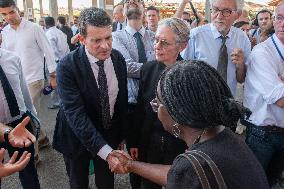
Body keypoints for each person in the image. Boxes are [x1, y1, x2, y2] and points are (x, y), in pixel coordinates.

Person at [111, 61, 270, 189]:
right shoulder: (224, 136)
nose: (154, 107)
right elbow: (177, 174)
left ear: (176, 113)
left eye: (156, 103)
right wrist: (130, 165)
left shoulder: (193, 165)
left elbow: (186, 172)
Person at [52, 7, 128, 189]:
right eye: (97, 40)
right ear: (81, 39)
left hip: (108, 135)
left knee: (106, 183)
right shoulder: (67, 66)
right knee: (78, 183)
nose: (105, 46)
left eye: (108, 38)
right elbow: (75, 115)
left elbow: (120, 102)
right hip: (75, 137)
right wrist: (107, 153)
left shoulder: (118, 59)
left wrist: (122, 136)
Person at [129, 17, 189, 189]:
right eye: (156, 40)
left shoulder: (189, 74)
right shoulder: (148, 69)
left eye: (164, 43)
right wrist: (134, 141)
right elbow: (140, 108)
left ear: (182, 45)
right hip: (149, 142)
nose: (157, 46)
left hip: (178, 145)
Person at [0, 0, 56, 165]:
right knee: (28, 115)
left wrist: (53, 76)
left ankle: (33, 156)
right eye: (4, 14)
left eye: (11, 12)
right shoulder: (5, 32)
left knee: (27, 116)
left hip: (33, 79)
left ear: (18, 10)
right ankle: (43, 138)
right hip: (14, 82)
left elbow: (48, 51)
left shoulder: (34, 28)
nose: (8, 17)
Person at [112, 1, 155, 188]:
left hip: (155, 105)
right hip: (132, 106)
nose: (132, 2)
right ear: (122, 10)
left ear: (143, 8)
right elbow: (127, 67)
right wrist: (157, 68)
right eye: (128, 0)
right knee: (135, 154)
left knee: (155, 151)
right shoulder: (116, 37)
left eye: (137, 0)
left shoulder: (155, 36)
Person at [243, 2, 284, 186]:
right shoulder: (262, 52)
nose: (283, 24)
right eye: (280, 18)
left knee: (274, 182)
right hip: (263, 136)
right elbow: (280, 99)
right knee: (254, 184)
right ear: (274, 21)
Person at [182, 0, 251, 97]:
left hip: (229, 102)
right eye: (215, 10)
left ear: (237, 14)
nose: (219, 16)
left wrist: (240, 65)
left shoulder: (242, 38)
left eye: (226, 11)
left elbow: (241, 79)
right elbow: (182, 74)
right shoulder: (195, 36)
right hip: (200, 102)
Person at [0, 48, 40, 188]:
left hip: (20, 123)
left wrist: (32, 114)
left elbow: (23, 89)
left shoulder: (12, 58)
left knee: (28, 168)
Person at [44, 16, 70, 109]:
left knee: (53, 82)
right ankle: (62, 100)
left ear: (46, 23)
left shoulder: (49, 34)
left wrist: (54, 61)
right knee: (61, 81)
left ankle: (56, 102)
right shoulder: (60, 32)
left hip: (54, 61)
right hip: (63, 59)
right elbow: (66, 47)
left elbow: (51, 50)